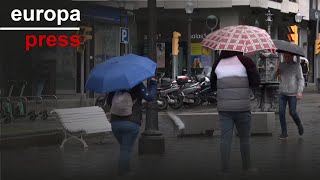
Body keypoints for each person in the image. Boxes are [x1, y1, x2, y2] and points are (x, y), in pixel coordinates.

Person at [210, 50, 261, 175]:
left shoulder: (218, 63)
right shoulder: (246, 61)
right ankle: (247, 167)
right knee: (244, 139)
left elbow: (212, 84)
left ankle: (225, 169)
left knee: (225, 139)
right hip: (243, 107)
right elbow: (256, 82)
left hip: (224, 108)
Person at [107, 79, 157, 176]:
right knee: (126, 148)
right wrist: (153, 85)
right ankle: (123, 172)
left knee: (124, 147)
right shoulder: (137, 84)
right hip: (131, 122)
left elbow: (109, 102)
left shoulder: (114, 85)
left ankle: (126, 169)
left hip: (115, 123)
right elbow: (149, 97)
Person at [275, 52, 304, 139]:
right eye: (284, 56)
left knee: (292, 112)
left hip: (293, 93)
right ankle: (284, 133)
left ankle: (299, 124)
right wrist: (276, 71)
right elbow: (273, 77)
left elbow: (300, 79)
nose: (286, 57)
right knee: (281, 112)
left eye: (287, 56)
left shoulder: (297, 66)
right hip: (282, 92)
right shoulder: (281, 65)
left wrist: (299, 92)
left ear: (292, 56)